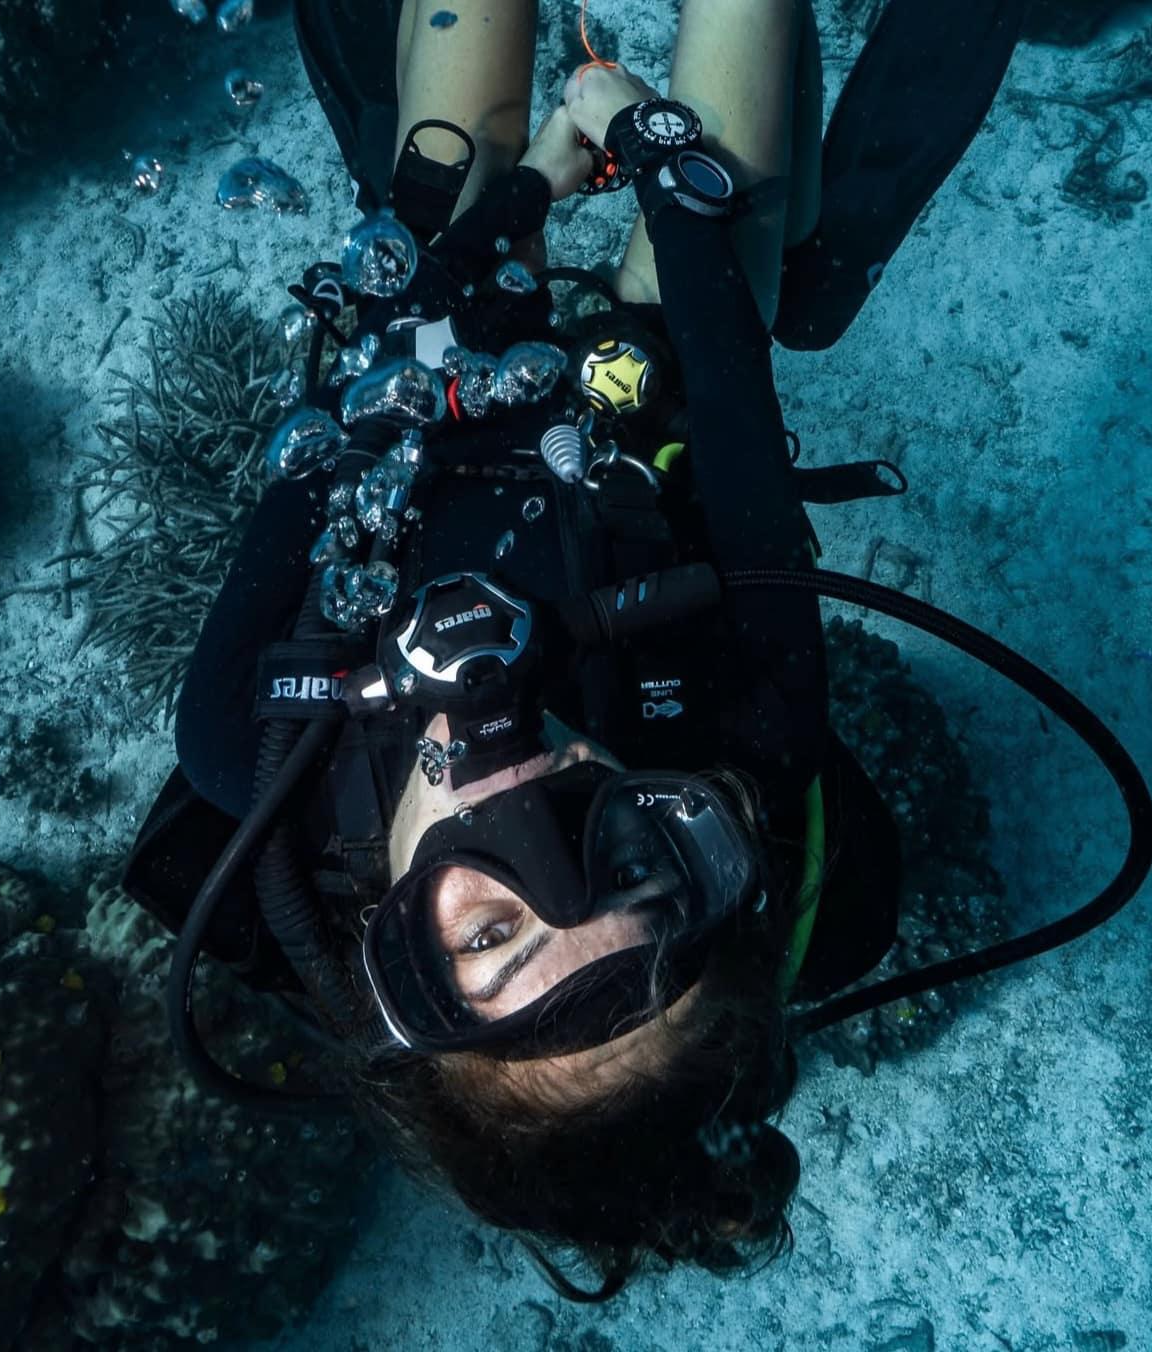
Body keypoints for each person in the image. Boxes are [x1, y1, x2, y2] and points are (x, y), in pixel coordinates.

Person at [125, 0, 1037, 1301]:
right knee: (728, 198)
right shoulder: (734, 725)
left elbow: (343, 408)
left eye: (492, 935)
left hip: (448, 377)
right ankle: (789, 236)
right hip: (639, 428)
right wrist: (644, 151)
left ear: (399, 960)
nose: (522, 804)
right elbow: (732, 398)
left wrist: (534, 182)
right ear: (689, 837)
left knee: (437, 161)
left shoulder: (249, 742)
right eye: (618, 865)